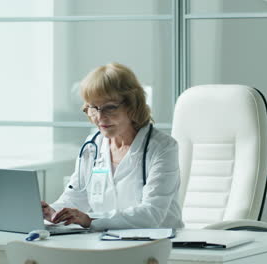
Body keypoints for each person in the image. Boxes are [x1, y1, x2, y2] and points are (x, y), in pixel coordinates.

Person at [41, 62, 184, 231]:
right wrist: (52, 212)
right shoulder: (92, 147)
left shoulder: (163, 148)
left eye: (109, 107)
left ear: (133, 105)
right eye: (93, 108)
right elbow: (75, 198)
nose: (100, 117)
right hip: (107, 244)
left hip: (158, 247)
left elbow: (151, 214)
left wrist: (89, 220)